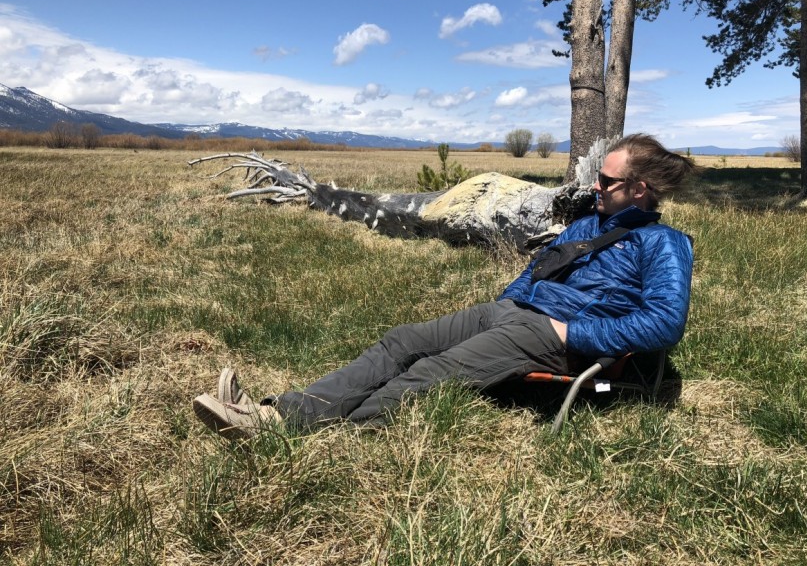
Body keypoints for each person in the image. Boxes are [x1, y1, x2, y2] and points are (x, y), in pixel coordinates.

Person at [193, 133, 695, 439]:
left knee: (434, 370)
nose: (595, 187)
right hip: (515, 312)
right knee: (404, 341)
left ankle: (307, 433)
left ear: (639, 189)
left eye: (605, 182)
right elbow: (542, 263)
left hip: (558, 336)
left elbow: (663, 324)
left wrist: (570, 336)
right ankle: (279, 413)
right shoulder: (589, 224)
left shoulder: (664, 244)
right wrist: (507, 301)